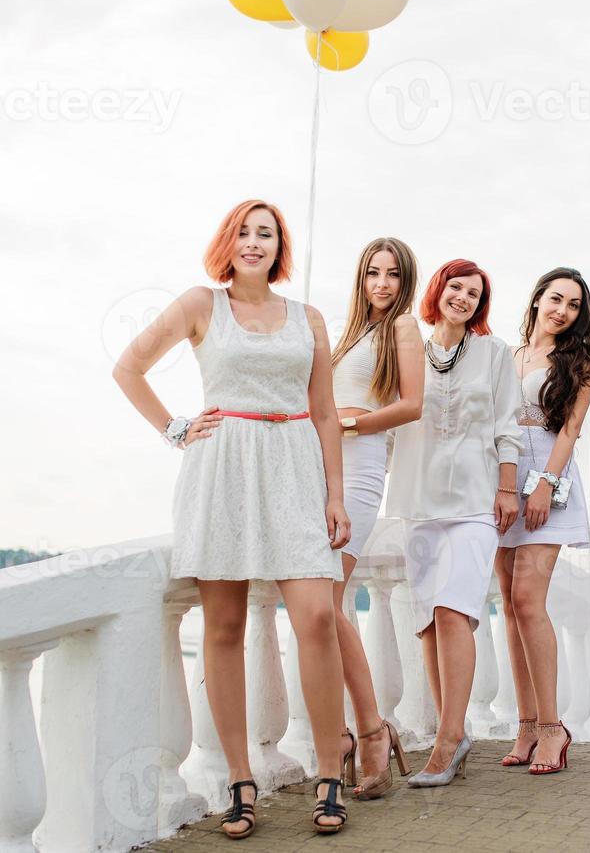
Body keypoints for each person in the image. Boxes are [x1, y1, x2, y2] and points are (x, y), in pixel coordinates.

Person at [113, 200, 353, 837]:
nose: (254, 243)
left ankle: (331, 773)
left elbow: (326, 413)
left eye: (266, 233)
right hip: (221, 469)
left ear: (281, 247)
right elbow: (127, 368)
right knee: (223, 627)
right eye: (244, 232)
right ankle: (240, 782)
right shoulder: (200, 305)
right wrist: (175, 428)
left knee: (318, 617)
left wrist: (335, 495)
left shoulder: (308, 318)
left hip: (296, 469)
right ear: (228, 240)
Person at [387, 259, 521, 788]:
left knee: (453, 609)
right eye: (456, 287)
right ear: (438, 290)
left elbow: (507, 425)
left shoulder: (494, 354)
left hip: (474, 503)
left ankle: (444, 745)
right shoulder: (408, 350)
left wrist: (508, 487)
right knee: (426, 623)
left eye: (474, 293)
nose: (463, 298)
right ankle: (457, 731)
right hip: (419, 503)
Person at [327, 238, 424, 799]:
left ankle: (370, 732)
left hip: (360, 465)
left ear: (404, 280)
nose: (381, 284)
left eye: (391, 274)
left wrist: (351, 428)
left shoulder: (403, 329)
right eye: (372, 273)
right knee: (320, 601)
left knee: (329, 597)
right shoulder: (347, 336)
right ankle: (351, 731)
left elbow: (412, 405)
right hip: (323, 466)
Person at [496, 268, 590, 775]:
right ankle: (526, 724)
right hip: (502, 480)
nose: (562, 309)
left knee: (526, 601)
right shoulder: (504, 356)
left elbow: (570, 431)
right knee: (509, 608)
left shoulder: (576, 363)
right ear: (537, 299)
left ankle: (553, 728)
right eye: (556, 298)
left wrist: (545, 484)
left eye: (574, 304)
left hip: (547, 484)